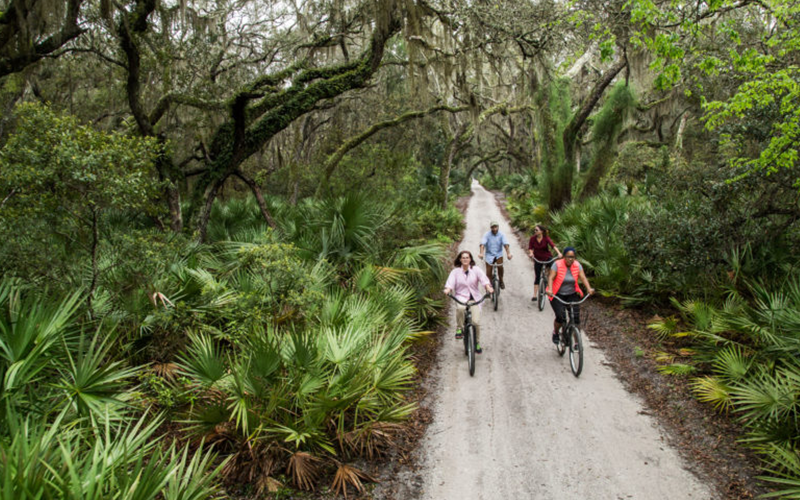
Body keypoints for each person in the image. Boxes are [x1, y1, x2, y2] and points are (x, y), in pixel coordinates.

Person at [443, 250, 494, 354]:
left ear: (470, 259)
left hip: (474, 299)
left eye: (467, 257)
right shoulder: (455, 272)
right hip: (461, 297)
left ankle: (477, 343)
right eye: (463, 257)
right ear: (460, 260)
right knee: (460, 308)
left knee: (475, 322)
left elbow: (484, 280)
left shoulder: (476, 270)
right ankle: (459, 328)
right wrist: (447, 290)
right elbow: (450, 284)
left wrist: (488, 288)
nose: (465, 259)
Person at [546, 247, 594, 344]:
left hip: (571, 294)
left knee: (575, 318)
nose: (570, 259)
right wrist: (550, 289)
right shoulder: (557, 264)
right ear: (564, 257)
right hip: (557, 294)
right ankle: (556, 332)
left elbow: (583, 277)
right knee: (560, 316)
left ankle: (577, 342)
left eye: (572, 257)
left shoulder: (577, 265)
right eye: (568, 257)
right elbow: (551, 277)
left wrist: (589, 288)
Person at [527, 224, 562, 301]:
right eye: (535, 230)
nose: (535, 231)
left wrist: (559, 253)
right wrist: (531, 253)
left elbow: (553, 246)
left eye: (536, 230)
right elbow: (530, 248)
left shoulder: (546, 238)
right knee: (537, 276)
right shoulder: (532, 239)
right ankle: (535, 295)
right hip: (537, 259)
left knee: (554, 268)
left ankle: (551, 282)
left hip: (547, 257)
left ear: (541, 231)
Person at [479, 221, 512, 289]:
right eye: (493, 227)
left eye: (496, 227)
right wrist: (481, 253)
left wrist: (508, 253)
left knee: (500, 267)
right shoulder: (487, 235)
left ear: (498, 227)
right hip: (489, 255)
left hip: (498, 254)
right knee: (488, 272)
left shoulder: (502, 234)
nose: (494, 229)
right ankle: (489, 287)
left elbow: (505, 244)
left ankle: (501, 280)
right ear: (491, 228)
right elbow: (482, 245)